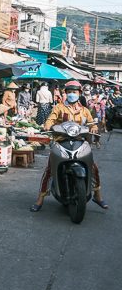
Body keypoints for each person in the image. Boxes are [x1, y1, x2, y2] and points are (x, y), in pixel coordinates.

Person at [30, 80, 108, 212]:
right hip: (61, 141)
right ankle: (40, 199)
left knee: (93, 168)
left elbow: (91, 122)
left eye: (75, 92)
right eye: (70, 92)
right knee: (49, 170)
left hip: (80, 141)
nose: (72, 94)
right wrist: (48, 125)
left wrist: (94, 127)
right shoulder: (59, 107)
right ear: (65, 93)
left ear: (79, 93)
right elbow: (51, 119)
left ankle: (97, 196)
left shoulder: (84, 110)